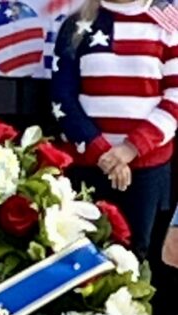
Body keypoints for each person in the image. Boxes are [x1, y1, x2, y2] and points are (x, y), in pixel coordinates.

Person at [50, 0, 178, 258]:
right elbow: (62, 98)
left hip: (146, 172)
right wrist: (103, 153)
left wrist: (132, 148)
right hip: (88, 167)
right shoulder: (76, 25)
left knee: (136, 261)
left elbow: (175, 97)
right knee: (80, 256)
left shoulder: (169, 24)